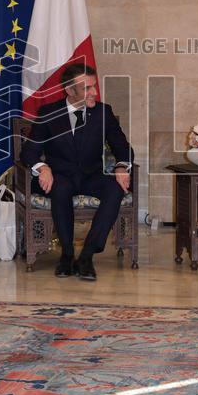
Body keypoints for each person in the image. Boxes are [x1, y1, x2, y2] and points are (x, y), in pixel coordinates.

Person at [19, 63, 134, 281]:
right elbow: (30, 151)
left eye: (94, 87)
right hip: (60, 177)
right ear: (70, 91)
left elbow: (123, 146)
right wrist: (42, 168)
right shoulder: (49, 113)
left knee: (115, 189)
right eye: (87, 88)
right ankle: (67, 255)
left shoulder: (103, 112)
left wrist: (121, 166)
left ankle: (87, 255)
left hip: (91, 176)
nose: (94, 93)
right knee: (60, 188)